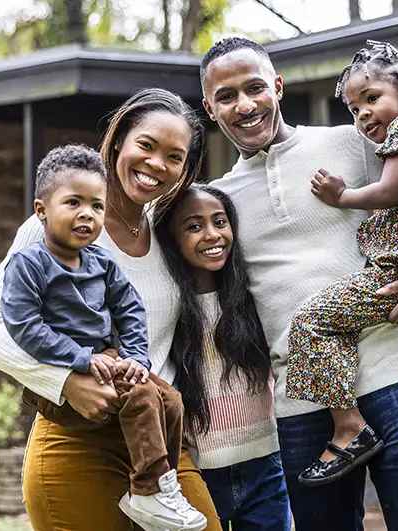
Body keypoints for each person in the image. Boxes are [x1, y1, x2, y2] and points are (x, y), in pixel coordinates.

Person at [201, 37, 398, 530]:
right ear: (210, 108)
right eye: (226, 96)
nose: (244, 105)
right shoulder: (218, 202)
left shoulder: (356, 142)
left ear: (277, 87)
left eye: (254, 88)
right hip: (303, 402)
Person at [0, 88, 224, 531]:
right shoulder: (58, 226)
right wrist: (65, 381)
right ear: (118, 141)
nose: (156, 164)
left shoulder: (168, 228)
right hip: (78, 437)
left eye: (174, 157)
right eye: (146, 145)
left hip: (158, 444)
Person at [0, 143, 206, 531]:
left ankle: (160, 485)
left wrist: (136, 359)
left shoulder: (101, 262)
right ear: (41, 211)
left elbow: (131, 311)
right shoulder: (29, 264)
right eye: (73, 203)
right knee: (143, 397)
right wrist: (81, 359)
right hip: (69, 386)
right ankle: (148, 490)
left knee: (171, 401)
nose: (87, 214)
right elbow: (24, 326)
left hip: (109, 366)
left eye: (97, 206)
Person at [286, 40, 398, 487]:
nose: (363, 114)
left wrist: (341, 196)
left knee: (311, 321)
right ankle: (347, 419)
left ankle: (349, 428)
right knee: (329, 320)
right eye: (354, 108)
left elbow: (389, 192)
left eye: (371, 98)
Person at [155, 185, 291, 531]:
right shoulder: (166, 309)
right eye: (194, 226)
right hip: (195, 471)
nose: (213, 235)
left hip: (265, 466)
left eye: (220, 222)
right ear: (172, 239)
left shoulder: (254, 297)